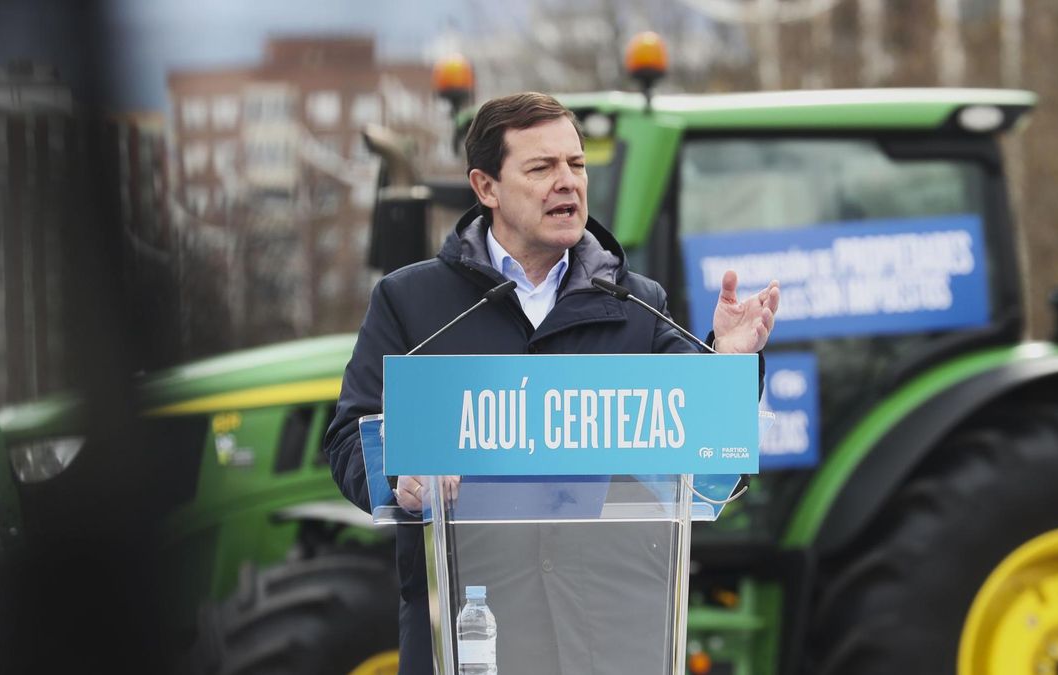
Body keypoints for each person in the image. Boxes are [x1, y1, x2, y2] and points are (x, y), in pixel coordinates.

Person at [324, 92, 780, 675]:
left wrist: (730, 363)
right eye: (542, 168)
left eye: (577, 164)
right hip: (473, 629)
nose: (567, 182)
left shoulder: (639, 304)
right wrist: (399, 474)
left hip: (613, 638)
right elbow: (346, 441)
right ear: (486, 188)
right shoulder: (410, 303)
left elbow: (713, 458)